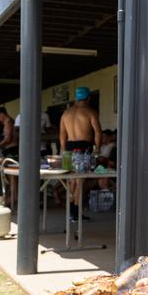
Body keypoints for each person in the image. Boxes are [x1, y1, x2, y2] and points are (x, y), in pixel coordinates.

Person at [59, 86, 102, 220]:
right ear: (88, 98)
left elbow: (62, 134)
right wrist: (97, 149)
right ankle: (75, 213)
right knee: (80, 181)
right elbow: (98, 132)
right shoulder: (90, 112)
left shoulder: (66, 113)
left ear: (76, 98)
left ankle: (71, 212)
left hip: (69, 147)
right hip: (84, 148)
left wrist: (64, 150)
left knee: (72, 181)